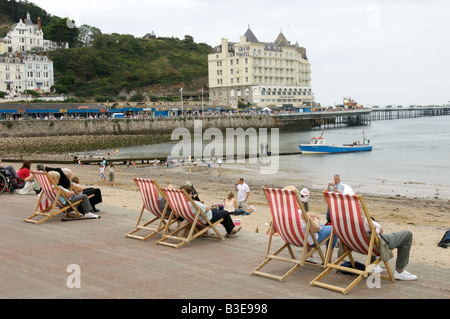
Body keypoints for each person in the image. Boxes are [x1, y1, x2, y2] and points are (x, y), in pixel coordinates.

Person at [284, 186, 338, 264]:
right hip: (308, 241)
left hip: (292, 238)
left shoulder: (282, 213)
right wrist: (316, 219)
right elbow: (316, 229)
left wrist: (310, 216)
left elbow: (304, 216)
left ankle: (308, 255)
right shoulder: (301, 213)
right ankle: (328, 260)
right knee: (334, 229)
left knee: (306, 226)